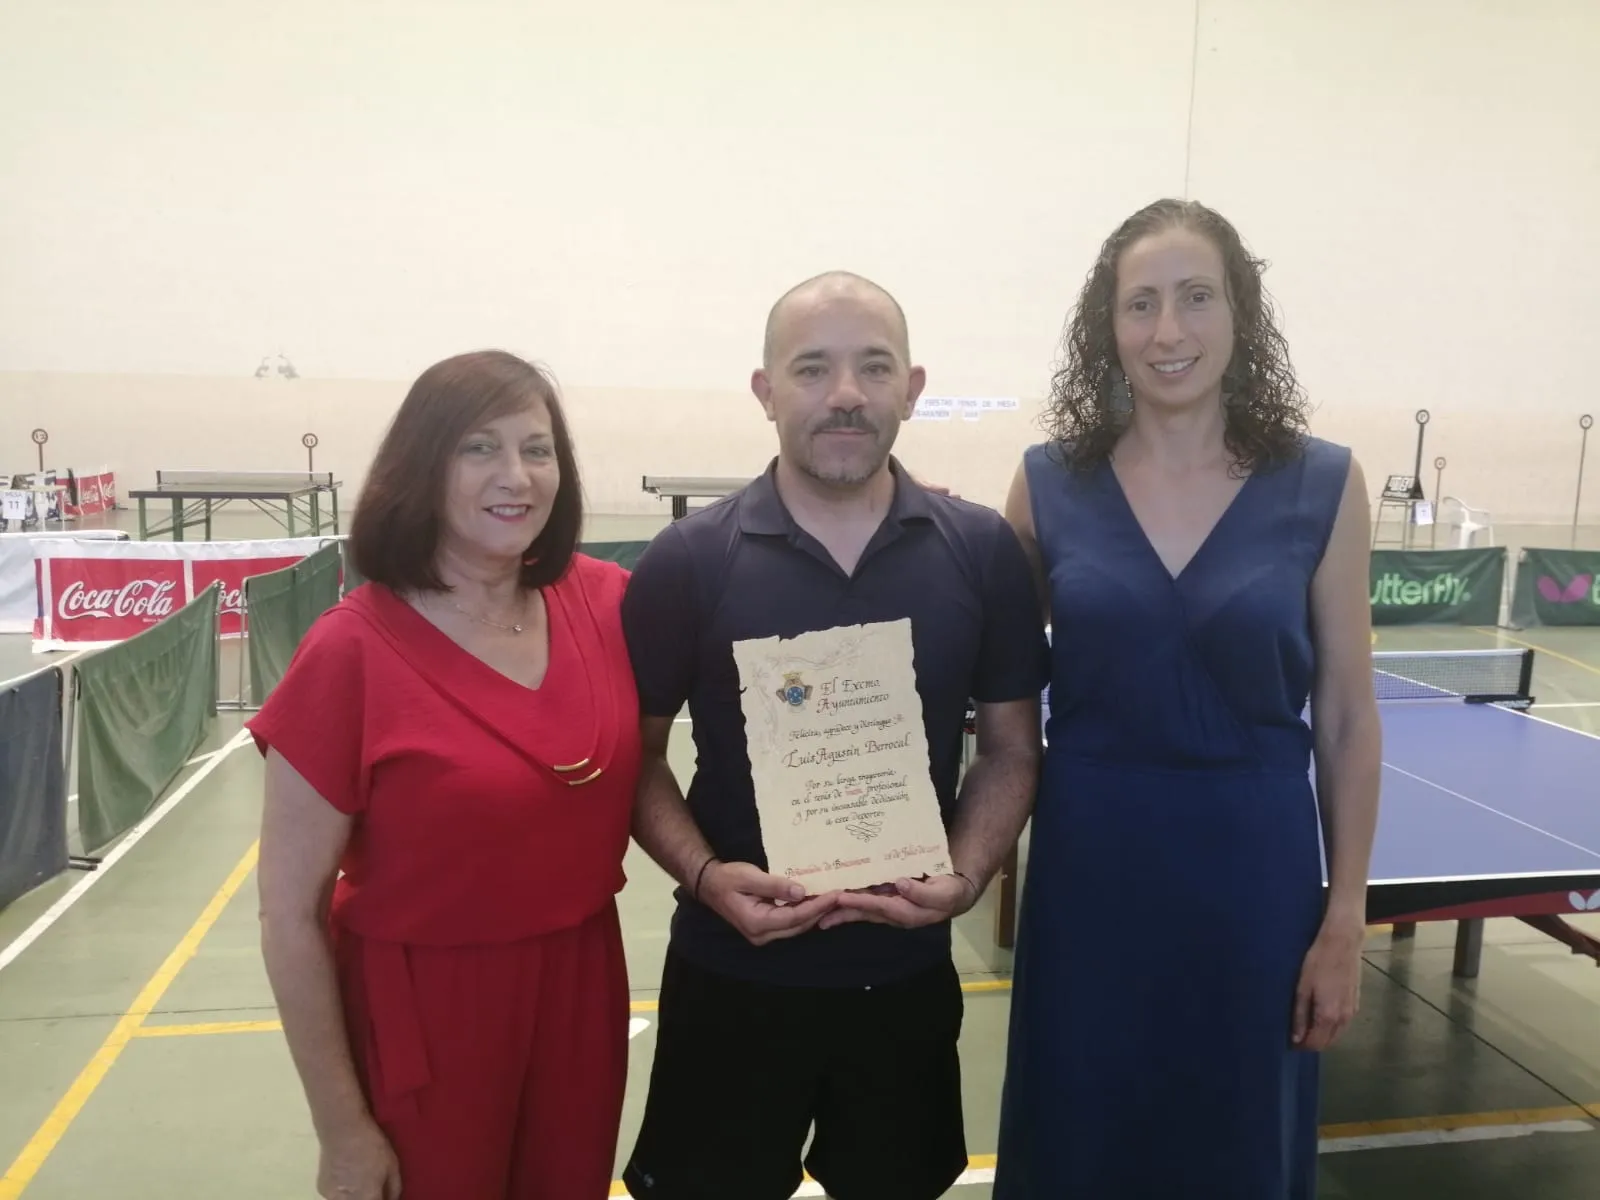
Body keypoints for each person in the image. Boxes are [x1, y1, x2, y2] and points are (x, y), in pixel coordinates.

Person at [618, 271, 1048, 1200]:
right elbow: (638, 761)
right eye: (812, 368)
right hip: (729, 975)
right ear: (766, 391)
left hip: (903, 981)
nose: (846, 393)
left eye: (874, 367)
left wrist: (967, 875)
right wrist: (706, 877)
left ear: (912, 388)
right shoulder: (689, 561)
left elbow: (1013, 749)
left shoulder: (981, 552)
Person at [993, 199, 1382, 1199]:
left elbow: (1346, 717)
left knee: (1236, 1144)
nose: (1168, 330)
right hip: (1091, 876)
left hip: (1256, 884)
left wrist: (1343, 919)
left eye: (1196, 297)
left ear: (1240, 312)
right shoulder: (1046, 486)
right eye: (1141, 304)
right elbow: (993, 694)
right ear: (1108, 327)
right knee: (1083, 1137)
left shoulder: (1324, 484)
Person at [248, 350, 639, 1200]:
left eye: (538, 449)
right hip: (427, 1012)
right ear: (423, 467)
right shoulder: (350, 652)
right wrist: (342, 1128)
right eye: (479, 448)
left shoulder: (607, 602)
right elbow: (288, 917)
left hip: (582, 991)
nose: (517, 476)